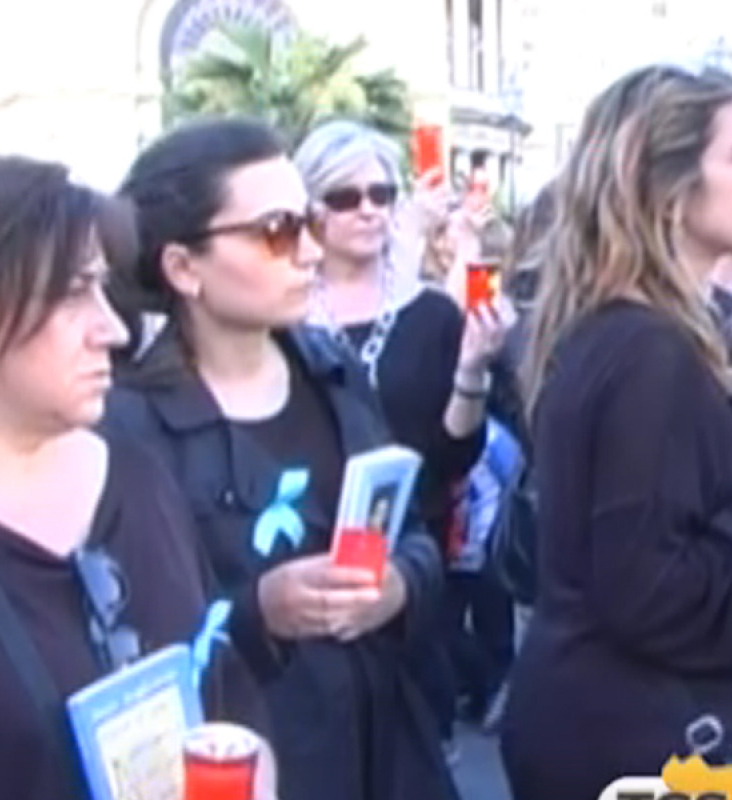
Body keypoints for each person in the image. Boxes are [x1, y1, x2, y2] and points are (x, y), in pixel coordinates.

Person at [103, 117, 458, 800]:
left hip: (392, 751)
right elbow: (127, 646)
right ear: (183, 267)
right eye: (277, 231)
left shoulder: (335, 373)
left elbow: (416, 536)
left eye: (308, 224)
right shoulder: (128, 425)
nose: (309, 254)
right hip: (252, 762)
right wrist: (257, 612)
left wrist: (401, 586)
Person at [0, 151, 273, 800]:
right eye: (71, 294)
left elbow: (223, 692)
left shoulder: (136, 472)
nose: (114, 330)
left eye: (102, 286)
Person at [501, 65, 732, 800]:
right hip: (646, 745)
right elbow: (648, 589)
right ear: (667, 185)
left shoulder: (619, 331)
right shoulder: (649, 351)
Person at [295, 119, 511, 758]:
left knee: (411, 752)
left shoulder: (431, 313)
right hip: (306, 554)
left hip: (412, 563)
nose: (367, 210)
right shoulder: (280, 315)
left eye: (382, 194)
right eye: (344, 197)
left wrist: (472, 370)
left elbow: (454, 456)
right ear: (310, 208)